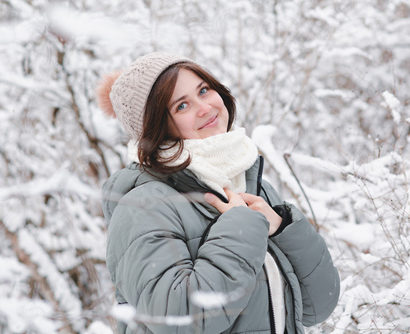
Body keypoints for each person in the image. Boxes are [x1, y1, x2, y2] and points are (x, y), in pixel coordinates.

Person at [97, 52, 340, 334]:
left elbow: (316, 307)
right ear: (158, 129)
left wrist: (282, 228)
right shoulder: (144, 205)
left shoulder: (247, 182)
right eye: (182, 105)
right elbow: (180, 320)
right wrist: (240, 228)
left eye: (203, 90)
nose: (204, 108)